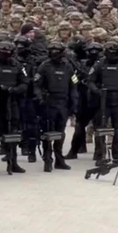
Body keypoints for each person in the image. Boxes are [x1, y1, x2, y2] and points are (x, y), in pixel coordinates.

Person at [88, 42, 118, 164]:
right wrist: (97, 91)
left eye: (114, 53)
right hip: (103, 101)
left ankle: (117, 156)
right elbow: (90, 81)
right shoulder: (99, 65)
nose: (112, 55)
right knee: (100, 130)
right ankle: (100, 156)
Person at [35, 42, 77, 172]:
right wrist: (40, 98)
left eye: (57, 51)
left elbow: (74, 85)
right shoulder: (44, 66)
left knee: (61, 133)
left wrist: (74, 103)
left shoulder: (68, 67)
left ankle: (59, 160)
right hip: (49, 103)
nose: (54, 53)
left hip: (63, 103)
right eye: (52, 51)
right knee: (48, 133)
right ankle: (47, 159)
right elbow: (36, 85)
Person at [0, 41, 28, 175]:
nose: (5, 56)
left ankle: (13, 163)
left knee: (13, 134)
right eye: (3, 53)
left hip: (12, 102)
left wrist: (14, 90)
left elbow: (25, 83)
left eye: (8, 53)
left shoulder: (17, 65)